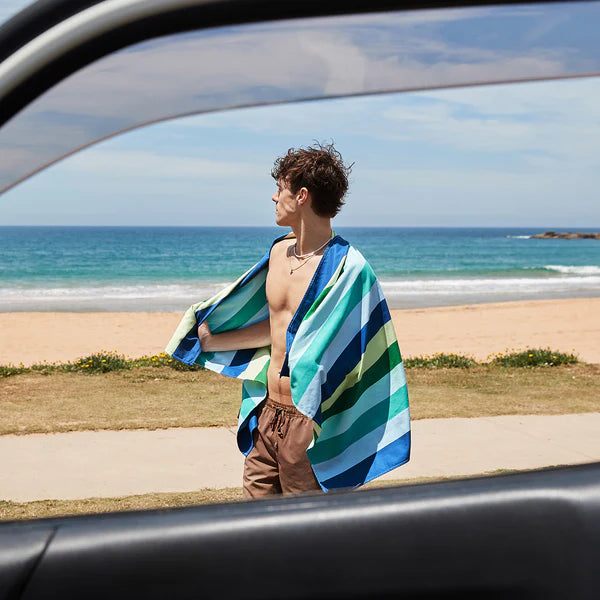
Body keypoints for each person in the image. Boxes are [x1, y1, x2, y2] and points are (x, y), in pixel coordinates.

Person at [166, 143, 410, 498]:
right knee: (258, 520)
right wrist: (213, 342)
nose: (273, 197)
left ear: (302, 196)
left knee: (306, 525)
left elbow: (362, 347)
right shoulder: (279, 252)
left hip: (308, 420)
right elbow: (281, 328)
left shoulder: (350, 269)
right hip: (267, 412)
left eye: (280, 188)